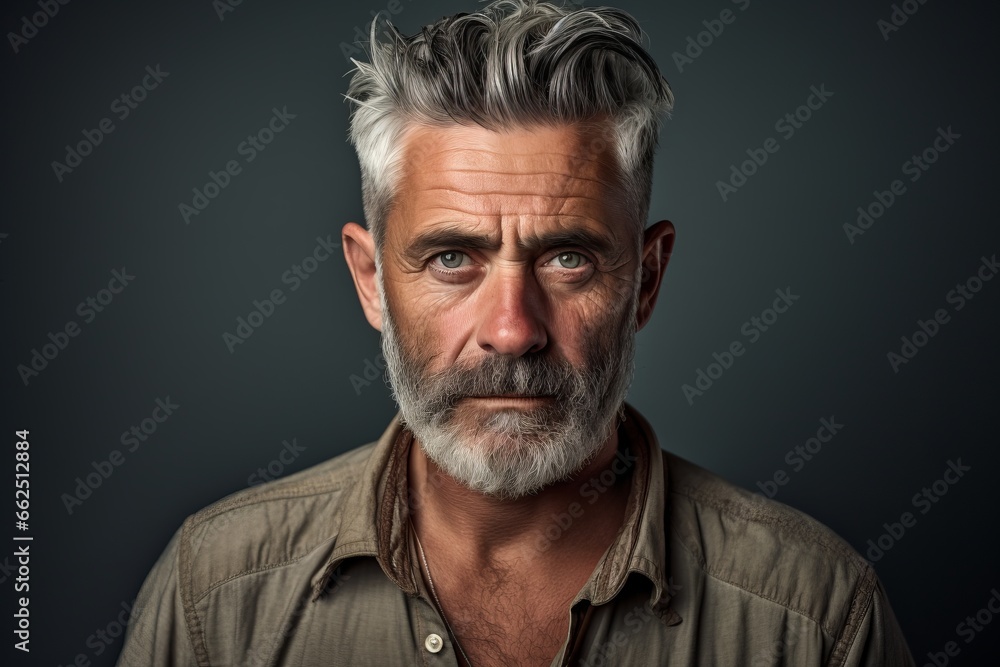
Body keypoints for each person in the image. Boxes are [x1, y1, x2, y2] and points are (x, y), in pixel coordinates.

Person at [117, 1, 915, 665]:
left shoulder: (813, 620)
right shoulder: (214, 600)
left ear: (646, 276)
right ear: (370, 280)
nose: (511, 330)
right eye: (453, 257)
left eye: (568, 257)